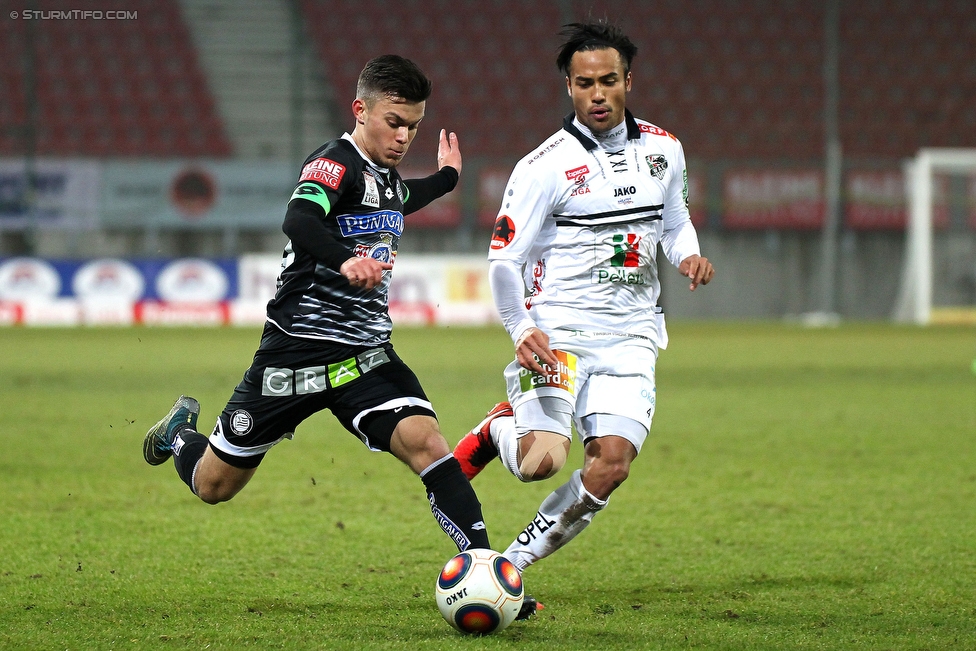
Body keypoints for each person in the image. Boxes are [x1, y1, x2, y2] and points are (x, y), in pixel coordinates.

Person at [143, 55, 495, 561]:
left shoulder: (387, 179)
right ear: (360, 110)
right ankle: (180, 438)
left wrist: (447, 179)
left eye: (412, 127)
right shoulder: (334, 161)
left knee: (429, 445)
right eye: (393, 122)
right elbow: (300, 219)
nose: (403, 137)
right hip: (294, 354)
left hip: (366, 356)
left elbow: (402, 199)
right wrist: (345, 258)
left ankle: (483, 566)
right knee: (214, 485)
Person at [453, 23, 715, 575]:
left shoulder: (666, 151)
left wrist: (687, 254)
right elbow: (505, 260)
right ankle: (499, 429)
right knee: (540, 464)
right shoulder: (542, 167)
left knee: (611, 466)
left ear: (629, 81)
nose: (597, 94)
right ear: (568, 87)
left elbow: (675, 223)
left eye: (609, 81)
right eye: (584, 84)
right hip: (559, 335)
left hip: (632, 335)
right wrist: (521, 328)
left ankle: (510, 567)